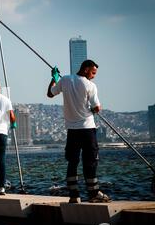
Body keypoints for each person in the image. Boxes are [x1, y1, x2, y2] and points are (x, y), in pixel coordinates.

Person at [47, 59, 111, 203]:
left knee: (72, 162)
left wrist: (54, 79)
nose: (94, 75)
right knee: (90, 161)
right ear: (86, 69)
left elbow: (50, 94)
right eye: (93, 72)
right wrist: (92, 109)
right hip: (87, 129)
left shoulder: (64, 80)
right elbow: (97, 108)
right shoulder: (91, 85)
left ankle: (74, 195)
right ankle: (93, 193)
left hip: (72, 130)